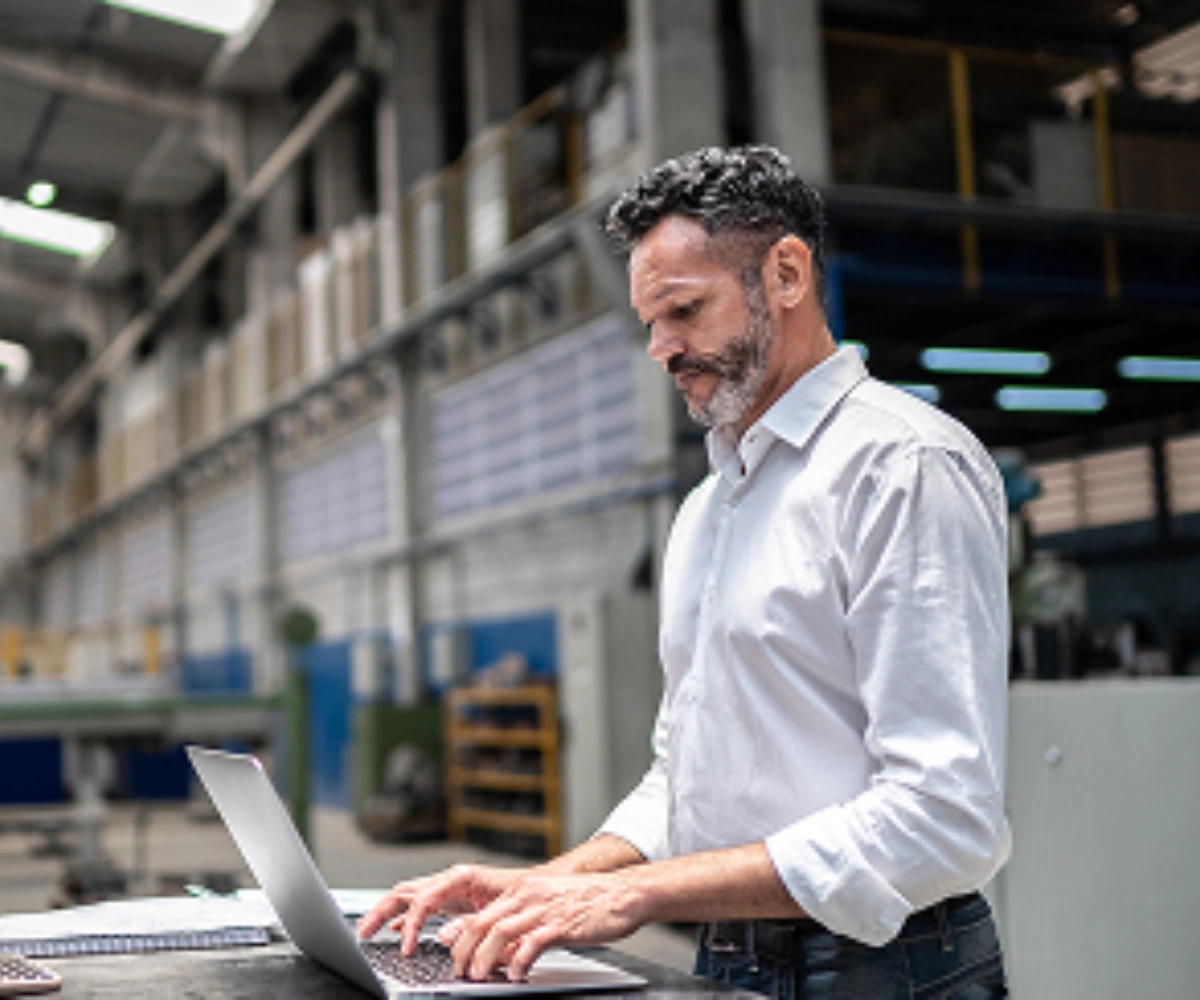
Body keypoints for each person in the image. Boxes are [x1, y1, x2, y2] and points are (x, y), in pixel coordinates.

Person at [359, 146, 1012, 999]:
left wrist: (632, 897)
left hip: (886, 966)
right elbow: (686, 782)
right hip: (731, 954)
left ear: (785, 274)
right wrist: (551, 883)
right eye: (650, 324)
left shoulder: (901, 466)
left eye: (684, 311)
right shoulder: (712, 506)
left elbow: (944, 816)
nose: (662, 349)